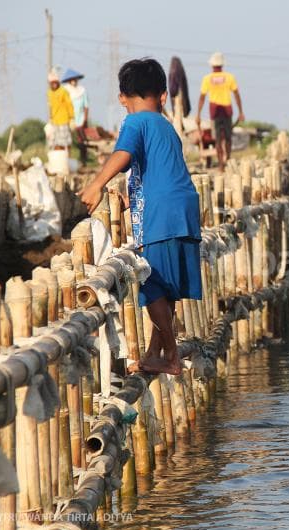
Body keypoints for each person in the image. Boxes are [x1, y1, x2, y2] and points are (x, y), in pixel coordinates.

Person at [78, 58, 202, 376]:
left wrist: (96, 184)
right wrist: (130, 203)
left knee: (153, 284)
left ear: (123, 97)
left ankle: (171, 356)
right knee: (165, 287)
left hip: (162, 216)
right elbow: (162, 177)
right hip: (182, 211)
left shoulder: (136, 122)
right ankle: (154, 353)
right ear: (162, 95)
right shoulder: (166, 126)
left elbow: (123, 154)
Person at [196, 52, 245, 171]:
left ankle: (221, 166)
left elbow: (202, 97)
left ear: (212, 65)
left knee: (218, 139)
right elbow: (236, 94)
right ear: (222, 65)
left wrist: (198, 114)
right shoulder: (229, 77)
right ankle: (227, 159)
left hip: (215, 110)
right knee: (228, 138)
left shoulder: (207, 79)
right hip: (227, 110)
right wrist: (240, 112)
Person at [62, 68, 90, 165]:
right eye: (72, 80)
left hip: (80, 119)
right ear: (69, 81)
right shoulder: (66, 91)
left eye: (75, 79)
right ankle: (67, 161)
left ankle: (83, 161)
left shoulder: (82, 90)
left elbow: (86, 105)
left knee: (82, 141)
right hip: (69, 120)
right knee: (67, 141)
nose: (74, 81)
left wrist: (85, 119)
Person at [47, 70, 75, 152]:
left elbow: (69, 105)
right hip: (54, 121)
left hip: (64, 120)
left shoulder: (63, 91)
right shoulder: (49, 93)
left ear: (58, 82)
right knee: (55, 143)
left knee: (66, 142)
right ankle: (58, 160)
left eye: (55, 82)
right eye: (52, 83)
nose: (54, 84)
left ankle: (66, 159)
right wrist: (51, 119)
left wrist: (72, 118)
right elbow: (51, 107)